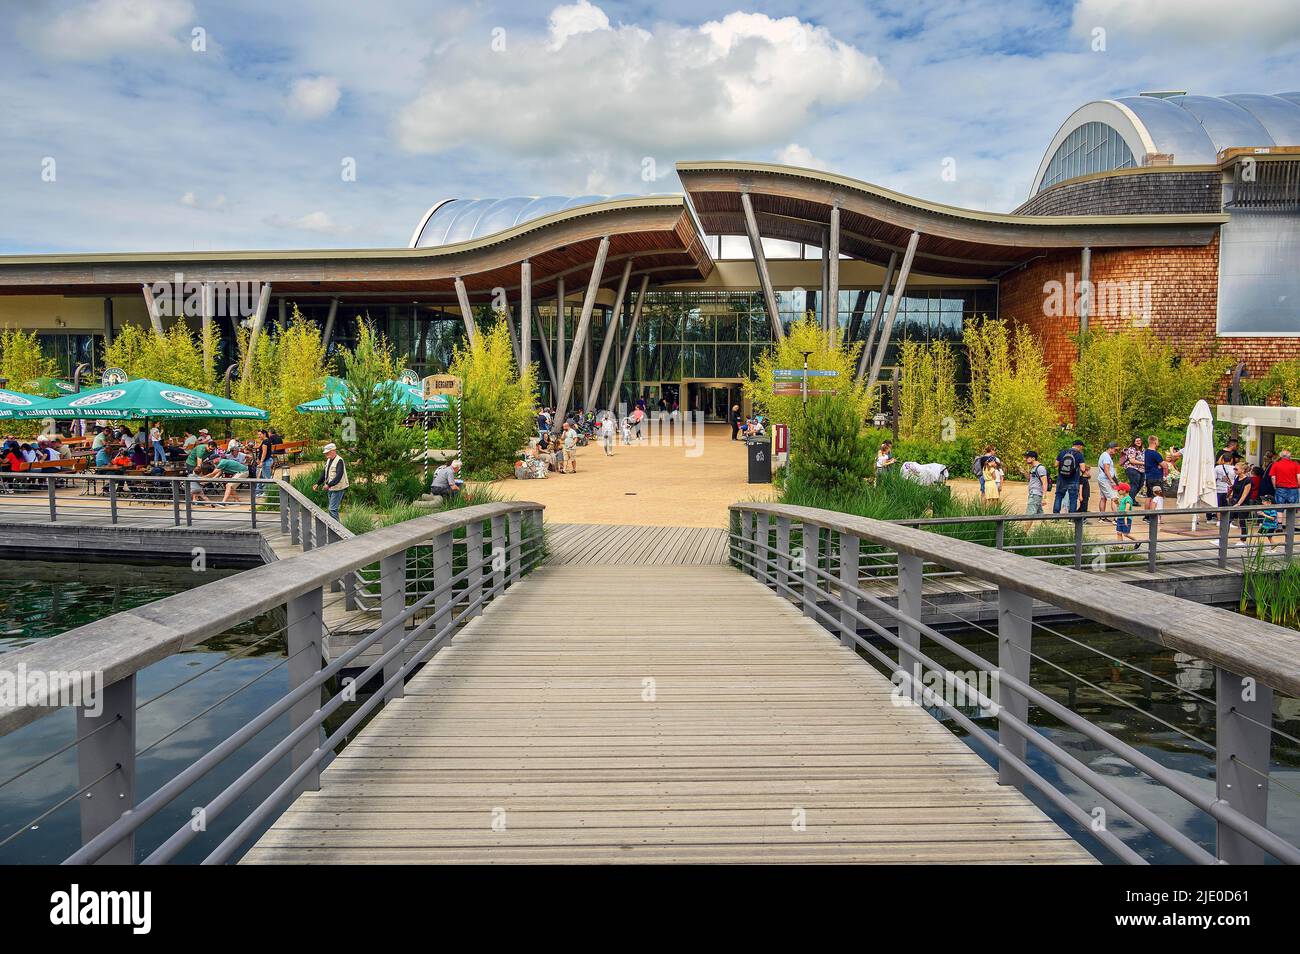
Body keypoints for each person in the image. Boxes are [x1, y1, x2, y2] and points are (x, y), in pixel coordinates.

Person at [315, 442, 348, 521]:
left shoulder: (339, 460)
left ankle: (338, 530)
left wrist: (328, 485)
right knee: (332, 510)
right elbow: (324, 473)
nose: (326, 454)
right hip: (330, 488)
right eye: (325, 453)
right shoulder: (329, 460)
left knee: (332, 509)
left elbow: (338, 476)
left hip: (338, 488)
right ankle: (334, 529)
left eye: (327, 452)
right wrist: (317, 483)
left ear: (333, 451)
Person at [1053, 440, 1084, 513]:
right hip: (1073, 479)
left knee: (1059, 496)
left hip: (1061, 478)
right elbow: (1082, 468)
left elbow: (1055, 465)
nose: (1081, 448)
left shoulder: (1062, 452)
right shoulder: (1079, 454)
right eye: (1081, 447)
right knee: (1073, 498)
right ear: (1079, 446)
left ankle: (1055, 516)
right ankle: (1071, 517)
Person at [1230, 460, 1254, 546]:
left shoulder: (1247, 480)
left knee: (1242, 521)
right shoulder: (1237, 478)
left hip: (1243, 503)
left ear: (1242, 470)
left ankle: (1243, 540)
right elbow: (1234, 490)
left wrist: (1239, 503)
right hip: (1234, 501)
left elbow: (1245, 494)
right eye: (1234, 469)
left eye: (1236, 469)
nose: (1234, 471)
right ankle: (1222, 538)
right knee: (1227, 520)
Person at [1096, 440, 1119, 519]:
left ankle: (1102, 517)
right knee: (1114, 497)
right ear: (1111, 448)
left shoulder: (1104, 455)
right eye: (1115, 450)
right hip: (1106, 480)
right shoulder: (1106, 456)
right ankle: (1116, 518)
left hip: (1102, 479)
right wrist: (1112, 481)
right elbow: (1106, 470)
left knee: (1103, 497)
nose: (1116, 452)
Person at [1213, 452, 1236, 526]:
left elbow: (1214, 478)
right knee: (1228, 506)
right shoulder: (1234, 468)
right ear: (1231, 460)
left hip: (1219, 489)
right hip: (1229, 490)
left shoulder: (1217, 468)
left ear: (1223, 459)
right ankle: (1229, 521)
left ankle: (1219, 521)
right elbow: (1236, 479)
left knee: (1219, 506)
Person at [1024, 451, 1048, 517]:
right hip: (1033, 493)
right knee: (1041, 514)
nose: (1025, 459)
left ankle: (1024, 528)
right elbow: (1031, 480)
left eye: (1027, 457)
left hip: (1035, 495)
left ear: (1033, 458)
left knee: (1029, 515)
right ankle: (1047, 527)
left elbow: (1045, 483)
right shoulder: (1033, 468)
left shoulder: (1040, 468)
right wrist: (1024, 472)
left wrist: (1044, 497)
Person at [1142, 435, 1166, 499]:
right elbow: (1165, 466)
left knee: (1149, 497)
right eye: (1158, 441)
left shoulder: (1145, 452)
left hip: (1148, 477)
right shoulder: (1156, 454)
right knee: (1158, 498)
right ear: (1155, 442)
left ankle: (1147, 509)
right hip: (1156, 477)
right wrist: (1160, 465)